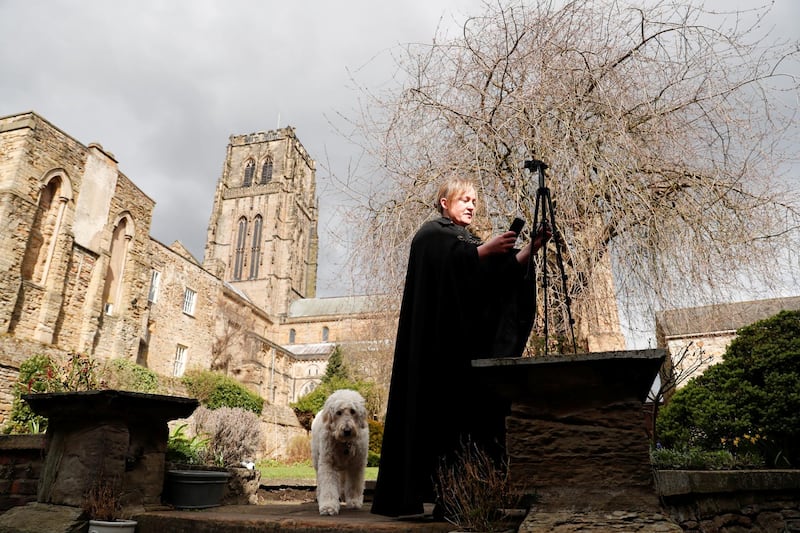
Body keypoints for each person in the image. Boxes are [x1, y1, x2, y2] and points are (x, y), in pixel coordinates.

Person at [371, 176, 550, 519]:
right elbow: (449, 265)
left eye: (474, 201)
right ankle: (435, 497)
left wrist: (529, 249)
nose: (471, 205)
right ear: (445, 202)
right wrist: (484, 251)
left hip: (466, 355)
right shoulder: (431, 234)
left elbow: (493, 281)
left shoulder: (468, 241)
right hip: (436, 355)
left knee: (471, 425)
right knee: (439, 425)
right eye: (464, 199)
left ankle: (459, 499)